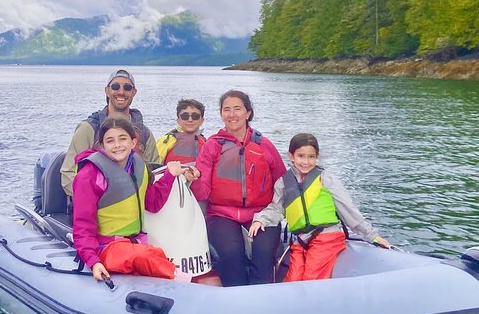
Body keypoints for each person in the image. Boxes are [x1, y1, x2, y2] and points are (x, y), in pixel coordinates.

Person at [248, 133, 390, 282]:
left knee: (311, 278)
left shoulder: (326, 180)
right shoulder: (283, 183)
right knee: (293, 280)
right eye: (301, 156)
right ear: (291, 156)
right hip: (301, 240)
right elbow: (276, 209)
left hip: (327, 236)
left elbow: (348, 210)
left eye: (311, 157)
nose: (306, 162)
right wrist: (261, 220)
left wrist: (372, 236)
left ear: (317, 156)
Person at [72, 117, 200, 282]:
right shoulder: (89, 175)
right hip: (106, 248)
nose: (117, 145)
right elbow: (83, 226)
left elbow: (153, 203)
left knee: (153, 253)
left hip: (136, 243)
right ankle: (188, 283)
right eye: (110, 141)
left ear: (133, 142)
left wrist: (170, 175)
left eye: (122, 139)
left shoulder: (139, 167)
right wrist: (93, 261)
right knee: (144, 256)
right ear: (102, 146)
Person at [192, 90, 286, 286]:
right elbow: (202, 190)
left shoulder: (264, 145)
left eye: (237, 109)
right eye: (226, 109)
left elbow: (282, 183)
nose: (232, 114)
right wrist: (192, 178)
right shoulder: (212, 146)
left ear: (248, 113)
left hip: (260, 214)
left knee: (264, 252)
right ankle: (236, 296)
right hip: (222, 214)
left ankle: (261, 295)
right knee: (230, 253)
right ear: (221, 114)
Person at [61, 69, 161, 197]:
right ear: (107, 91)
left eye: (127, 87)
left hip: (136, 204)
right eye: (115, 86)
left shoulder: (144, 134)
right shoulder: (88, 129)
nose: (121, 92)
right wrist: (95, 200)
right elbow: (68, 175)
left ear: (134, 92)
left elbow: (156, 173)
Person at [156, 99, 207, 164]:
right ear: (178, 121)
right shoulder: (166, 141)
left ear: (202, 121)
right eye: (185, 116)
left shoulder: (207, 143)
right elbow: (154, 165)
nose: (190, 120)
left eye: (195, 116)